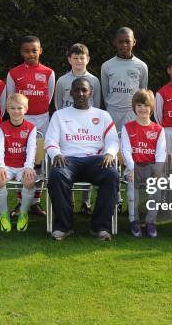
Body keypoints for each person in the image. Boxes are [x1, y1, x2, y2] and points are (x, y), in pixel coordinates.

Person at [45, 78, 119, 241]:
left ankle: (100, 227)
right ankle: (64, 227)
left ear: (90, 92)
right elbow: (50, 140)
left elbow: (113, 140)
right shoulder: (59, 115)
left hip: (96, 160)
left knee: (112, 175)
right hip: (68, 160)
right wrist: (56, 154)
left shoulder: (103, 115)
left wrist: (110, 153)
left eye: (84, 90)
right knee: (56, 176)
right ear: (71, 92)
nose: (80, 93)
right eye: (77, 90)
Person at [6, 35, 54, 216]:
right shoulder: (13, 73)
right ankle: (21, 201)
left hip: (42, 120)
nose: (30, 54)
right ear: (21, 52)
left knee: (39, 161)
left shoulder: (49, 72)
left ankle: (36, 202)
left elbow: (49, 98)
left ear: (40, 51)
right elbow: (12, 98)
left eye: (34, 50)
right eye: (26, 51)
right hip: (20, 119)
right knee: (20, 158)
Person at [54, 42, 101, 215]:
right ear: (69, 59)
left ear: (88, 59)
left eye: (82, 58)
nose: (79, 61)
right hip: (68, 126)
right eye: (75, 58)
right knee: (68, 161)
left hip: (88, 127)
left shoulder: (94, 80)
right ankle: (70, 201)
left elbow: (97, 104)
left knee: (88, 157)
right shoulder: (62, 81)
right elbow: (58, 103)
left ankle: (85, 203)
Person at [121, 89, 166, 238]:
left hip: (151, 167)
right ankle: (134, 221)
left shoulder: (158, 129)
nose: (142, 109)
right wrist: (132, 168)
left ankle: (150, 222)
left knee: (157, 190)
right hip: (134, 167)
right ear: (134, 107)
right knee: (133, 190)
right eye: (139, 105)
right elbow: (126, 150)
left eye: (146, 105)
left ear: (151, 107)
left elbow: (160, 153)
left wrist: (158, 170)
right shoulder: (128, 127)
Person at [0, 93, 38, 232]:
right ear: (7, 109)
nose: (16, 111)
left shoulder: (31, 128)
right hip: (7, 166)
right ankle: (4, 213)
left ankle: (23, 213)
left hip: (23, 166)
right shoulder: (1, 127)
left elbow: (31, 149)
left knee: (29, 181)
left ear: (26, 109)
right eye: (12, 108)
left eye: (19, 108)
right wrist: (0, 166)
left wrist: (29, 166)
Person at [101, 27, 148, 131]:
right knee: (113, 143)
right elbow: (105, 92)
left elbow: (142, 92)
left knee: (131, 144)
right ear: (115, 42)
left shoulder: (141, 66)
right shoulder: (106, 66)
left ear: (134, 42)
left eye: (128, 41)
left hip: (132, 112)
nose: (124, 45)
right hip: (112, 112)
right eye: (120, 42)